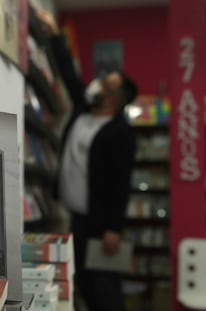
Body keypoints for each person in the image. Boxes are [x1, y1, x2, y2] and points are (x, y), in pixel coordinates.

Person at [36, 10, 138, 311]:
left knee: (104, 288)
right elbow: (68, 72)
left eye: (106, 84)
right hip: (76, 217)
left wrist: (113, 229)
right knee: (83, 283)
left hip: (100, 224)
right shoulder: (84, 109)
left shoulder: (121, 133)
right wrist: (54, 34)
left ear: (114, 98)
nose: (97, 84)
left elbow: (122, 182)